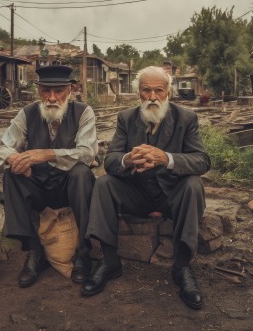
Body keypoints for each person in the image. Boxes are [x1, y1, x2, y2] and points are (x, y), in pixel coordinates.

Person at [83, 66, 211, 309]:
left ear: (168, 93)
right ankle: (110, 262)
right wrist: (128, 160)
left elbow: (202, 161)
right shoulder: (126, 118)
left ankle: (182, 267)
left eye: (158, 90)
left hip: (171, 195)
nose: (152, 96)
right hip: (138, 194)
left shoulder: (186, 118)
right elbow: (110, 161)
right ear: (138, 94)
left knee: (194, 184)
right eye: (146, 90)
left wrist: (167, 158)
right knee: (103, 184)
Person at [0, 65, 98, 288]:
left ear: (70, 90)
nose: (52, 98)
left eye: (59, 91)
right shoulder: (28, 113)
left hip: (68, 188)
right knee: (12, 174)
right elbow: (3, 147)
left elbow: (87, 153)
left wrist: (47, 154)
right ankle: (34, 251)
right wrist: (14, 159)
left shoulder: (83, 112)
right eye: (45, 91)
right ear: (38, 90)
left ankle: (83, 253)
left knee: (82, 173)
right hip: (40, 186)